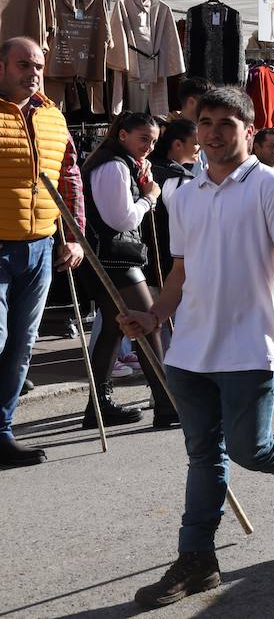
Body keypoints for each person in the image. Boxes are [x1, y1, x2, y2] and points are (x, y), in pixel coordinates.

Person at [121, 87, 274, 609]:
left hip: (251, 345)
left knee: (250, 449)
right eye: (206, 123)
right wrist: (154, 315)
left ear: (248, 128)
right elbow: (179, 273)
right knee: (204, 456)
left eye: (226, 123)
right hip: (189, 351)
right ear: (195, 131)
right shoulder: (184, 194)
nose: (214, 132)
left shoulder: (271, 186)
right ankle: (197, 559)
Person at [0, 37, 84, 468]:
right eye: (23, 64)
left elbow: (69, 176)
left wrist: (74, 236)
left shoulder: (53, 115)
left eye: (38, 65)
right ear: (2, 66)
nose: (33, 72)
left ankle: (1, 431)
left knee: (21, 345)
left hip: (40, 245)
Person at [78, 112, 178, 431]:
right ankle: (166, 403)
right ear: (122, 135)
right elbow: (121, 220)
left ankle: (99, 404)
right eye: (143, 139)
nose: (149, 146)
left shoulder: (123, 163)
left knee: (113, 328)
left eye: (153, 141)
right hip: (114, 258)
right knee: (147, 323)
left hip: (115, 257)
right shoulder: (112, 165)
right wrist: (150, 198)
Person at [149, 118, 199, 282]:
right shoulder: (178, 178)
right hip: (171, 259)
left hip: (152, 256)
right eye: (196, 143)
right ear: (178, 145)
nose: (200, 148)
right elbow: (187, 222)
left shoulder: (151, 167)